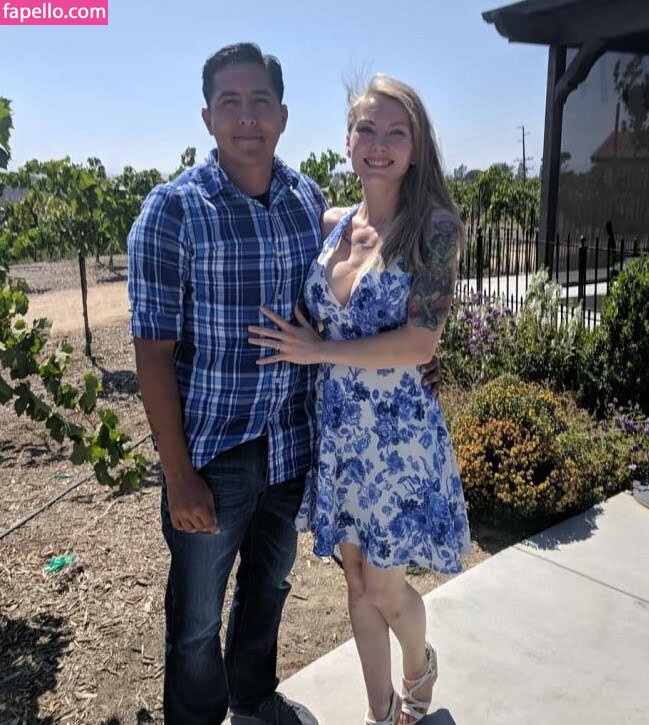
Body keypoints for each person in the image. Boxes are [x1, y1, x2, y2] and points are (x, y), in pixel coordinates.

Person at [128, 44, 440, 725]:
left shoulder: (306, 203)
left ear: (283, 115)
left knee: (267, 589)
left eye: (260, 102)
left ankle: (254, 698)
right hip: (215, 451)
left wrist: (408, 351)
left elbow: (372, 278)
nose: (247, 117)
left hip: (295, 443)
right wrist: (177, 475)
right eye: (230, 103)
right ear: (208, 118)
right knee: (196, 618)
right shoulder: (173, 211)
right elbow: (151, 351)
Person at [247, 75, 472, 725]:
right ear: (347, 140)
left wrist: (318, 351)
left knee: (384, 586)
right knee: (353, 581)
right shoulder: (330, 224)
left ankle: (419, 665)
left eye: (396, 132)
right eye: (367, 129)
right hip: (340, 431)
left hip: (398, 436)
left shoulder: (434, 228)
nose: (380, 143)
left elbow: (421, 342)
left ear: (416, 146)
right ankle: (382, 713)